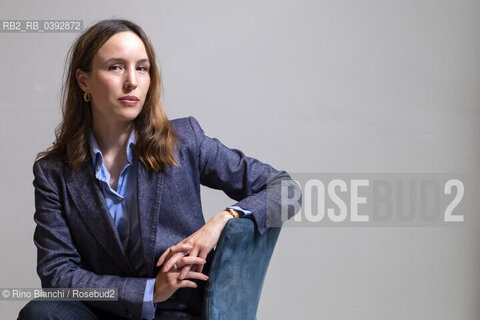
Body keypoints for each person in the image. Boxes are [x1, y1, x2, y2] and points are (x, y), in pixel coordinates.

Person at [17, 19, 301, 320]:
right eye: (115, 67)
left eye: (142, 68)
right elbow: (57, 274)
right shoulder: (53, 173)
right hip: (102, 311)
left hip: (177, 311)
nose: (132, 81)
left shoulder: (185, 141)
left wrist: (222, 220)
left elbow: (287, 189)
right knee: (40, 312)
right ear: (84, 81)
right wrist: (150, 291)